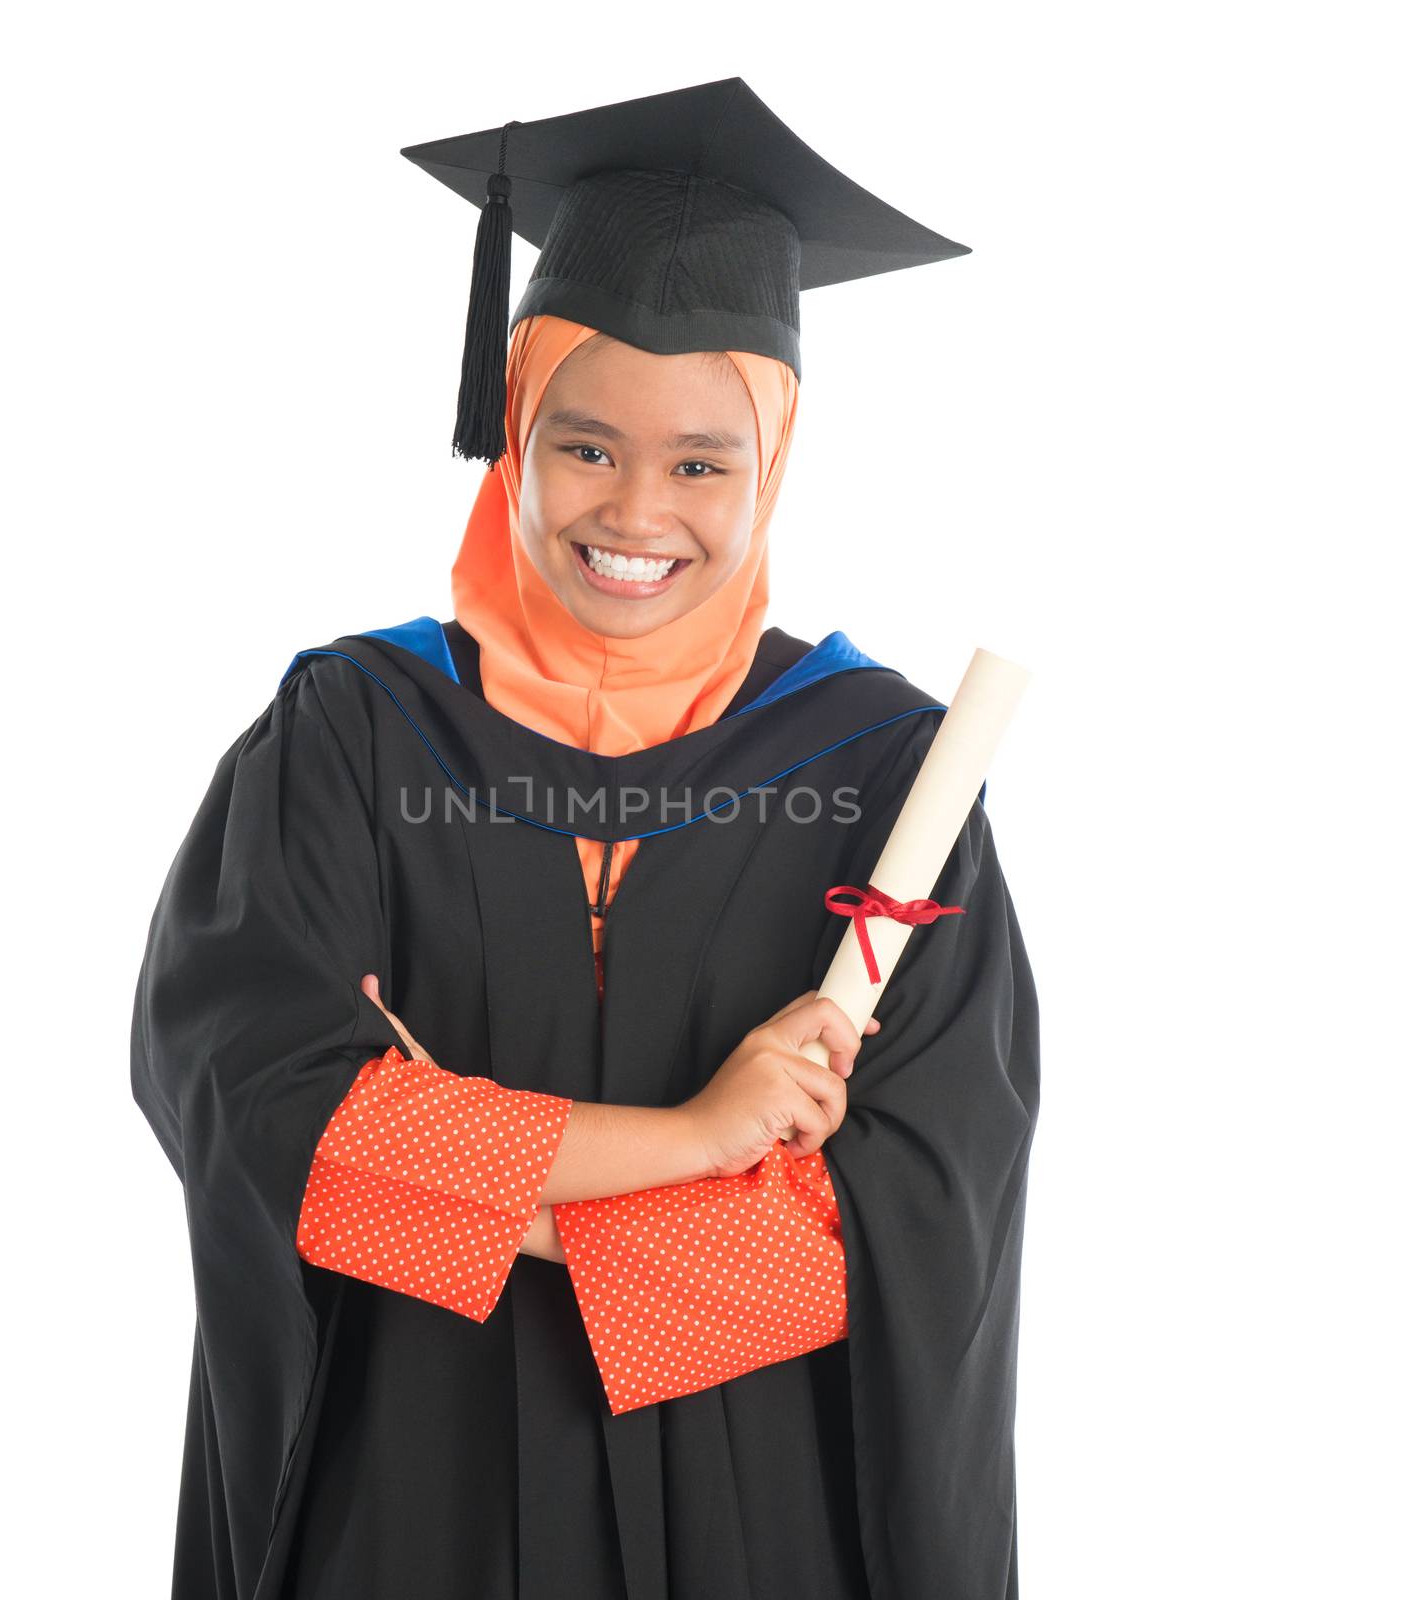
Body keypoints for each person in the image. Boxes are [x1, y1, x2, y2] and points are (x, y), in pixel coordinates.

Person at [130, 77, 1040, 1600]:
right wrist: (695, 1146)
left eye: (704, 461)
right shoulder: (354, 733)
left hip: (763, 1517)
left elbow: (910, 1207)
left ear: (775, 466)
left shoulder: (886, 770)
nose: (636, 510)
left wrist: (477, 1193)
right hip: (413, 1493)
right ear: (512, 429)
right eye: (584, 444)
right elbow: (263, 1117)